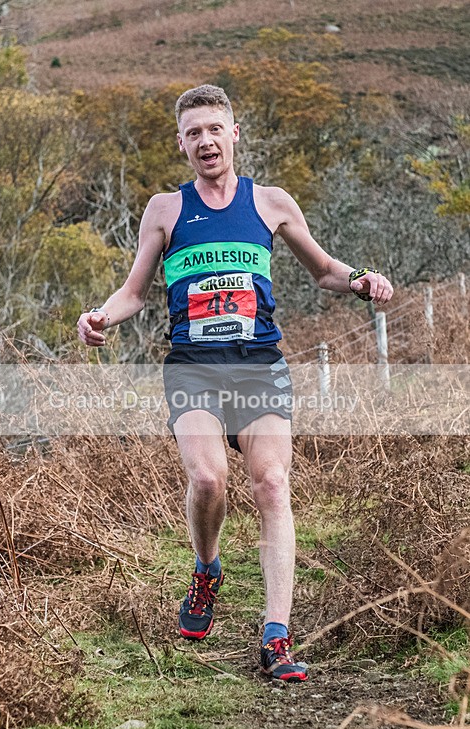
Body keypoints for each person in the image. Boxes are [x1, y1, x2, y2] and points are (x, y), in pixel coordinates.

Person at [77, 84, 393, 682]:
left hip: (258, 365)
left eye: (214, 129)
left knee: (272, 484)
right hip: (194, 367)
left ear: (234, 134)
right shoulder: (164, 211)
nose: (205, 141)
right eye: (193, 133)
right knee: (206, 479)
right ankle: (206, 569)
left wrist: (361, 278)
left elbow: (323, 269)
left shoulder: (270, 203)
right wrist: (99, 316)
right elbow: (134, 294)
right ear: (181, 144)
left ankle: (276, 637)